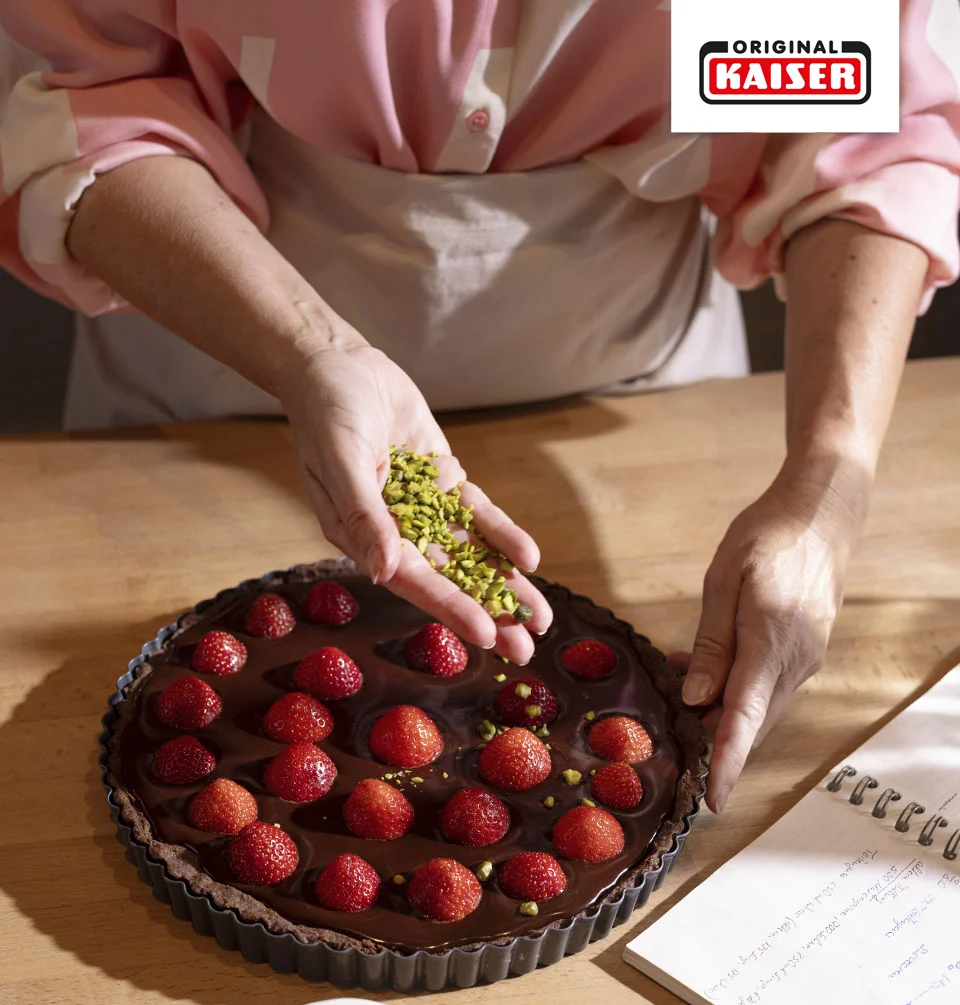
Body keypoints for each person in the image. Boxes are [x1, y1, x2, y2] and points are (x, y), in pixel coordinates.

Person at [0, 3, 957, 813]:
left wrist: (829, 476)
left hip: (638, 410)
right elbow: (97, 97)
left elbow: (855, 129)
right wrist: (310, 352)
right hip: (218, 361)